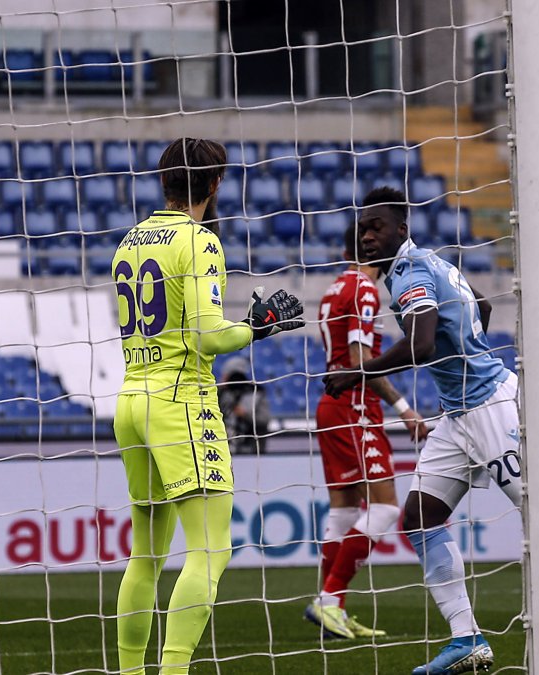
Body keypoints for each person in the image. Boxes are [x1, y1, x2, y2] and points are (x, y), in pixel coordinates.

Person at [323, 187, 539, 674]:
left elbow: (423, 343)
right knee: (419, 518)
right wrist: (466, 349)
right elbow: (481, 309)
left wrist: (357, 372)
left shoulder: (408, 270)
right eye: (362, 229)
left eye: (377, 227)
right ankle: (466, 638)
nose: (366, 236)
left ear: (401, 231)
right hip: (458, 414)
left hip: (491, 407)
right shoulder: (433, 263)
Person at [111, 137, 306, 675]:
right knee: (210, 550)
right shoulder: (198, 241)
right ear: (216, 183)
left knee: (145, 556)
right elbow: (207, 337)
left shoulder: (130, 241)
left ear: (162, 179)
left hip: (131, 397)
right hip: (181, 401)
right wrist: (258, 327)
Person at [305, 221, 429, 640]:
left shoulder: (334, 287)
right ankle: (329, 600)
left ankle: (331, 608)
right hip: (355, 406)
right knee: (386, 508)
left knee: (343, 510)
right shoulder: (364, 290)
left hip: (331, 404)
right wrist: (404, 408)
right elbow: (360, 360)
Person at [217, 356, 272, 455]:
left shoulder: (256, 393)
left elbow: (264, 419)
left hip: (252, 448)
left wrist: (244, 414)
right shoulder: (221, 394)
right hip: (227, 448)